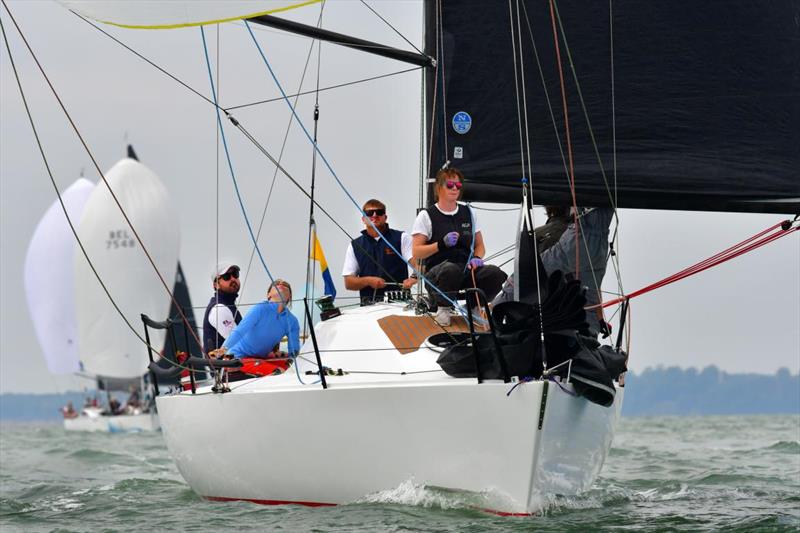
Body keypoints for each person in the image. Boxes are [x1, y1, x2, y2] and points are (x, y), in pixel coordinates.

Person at [412, 168, 507, 326]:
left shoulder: (469, 213)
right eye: (450, 184)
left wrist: (477, 258)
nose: (455, 188)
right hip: (437, 275)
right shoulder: (426, 216)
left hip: (465, 269)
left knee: (496, 274)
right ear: (439, 187)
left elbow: (480, 245)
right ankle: (443, 309)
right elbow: (416, 252)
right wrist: (440, 244)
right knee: (450, 269)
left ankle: (474, 307)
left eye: (458, 185)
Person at [342, 199, 417, 305]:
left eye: (379, 212)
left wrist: (413, 278)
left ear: (385, 217)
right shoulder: (355, 245)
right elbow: (348, 282)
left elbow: (418, 265)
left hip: (400, 304)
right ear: (363, 219)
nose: (374, 215)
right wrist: (368, 281)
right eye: (369, 213)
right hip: (368, 308)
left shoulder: (401, 238)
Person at [221, 279, 300, 359]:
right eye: (276, 284)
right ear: (269, 295)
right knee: (278, 370)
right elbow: (240, 330)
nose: (281, 283)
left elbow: (294, 351)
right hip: (237, 357)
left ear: (289, 297)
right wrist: (223, 349)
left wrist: (293, 359)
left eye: (285, 285)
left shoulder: (292, 322)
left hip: (260, 361)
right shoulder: (260, 308)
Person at [203, 262, 243, 354]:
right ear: (216, 285)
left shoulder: (229, 304)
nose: (232, 278)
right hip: (227, 366)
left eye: (235, 274)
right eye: (226, 276)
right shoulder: (219, 308)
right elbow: (238, 343)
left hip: (241, 362)